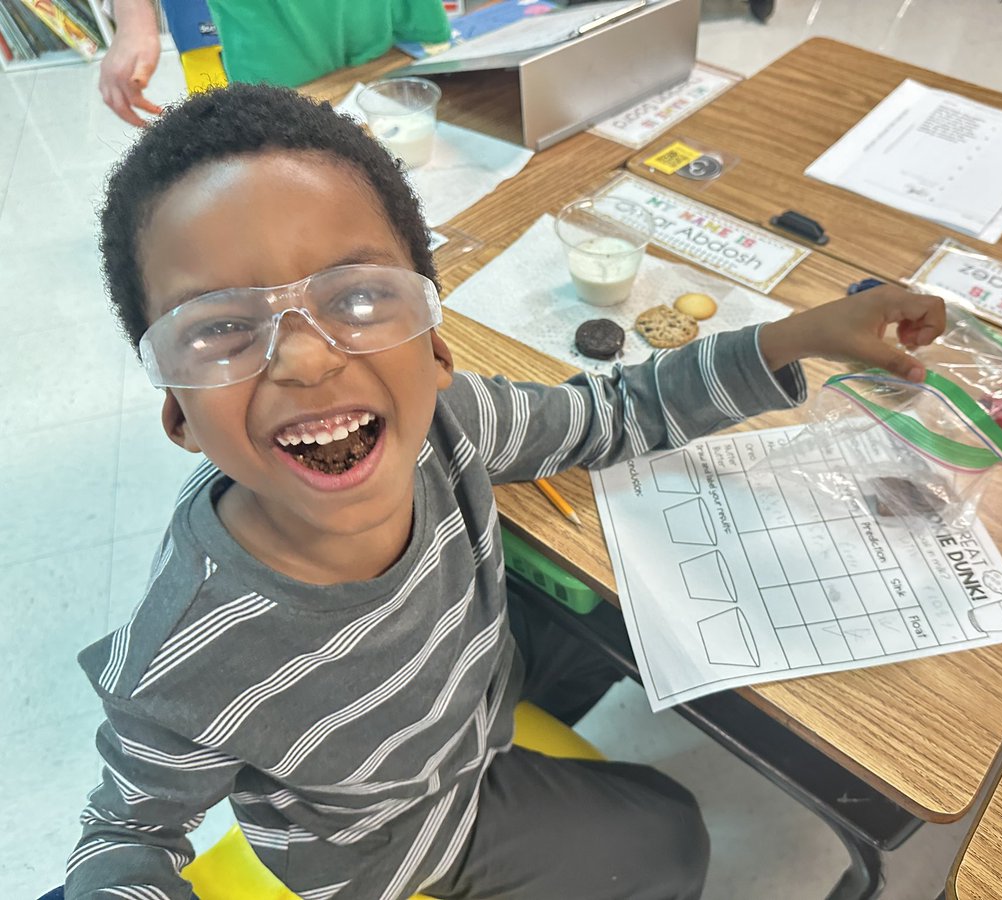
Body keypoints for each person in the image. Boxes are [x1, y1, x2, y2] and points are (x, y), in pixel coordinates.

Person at [64, 83, 945, 899]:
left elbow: (612, 413)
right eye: (218, 327)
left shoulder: (455, 422)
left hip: (468, 705)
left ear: (438, 350)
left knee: (588, 638)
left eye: (359, 295)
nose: (304, 356)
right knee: (669, 832)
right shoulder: (187, 659)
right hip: (396, 833)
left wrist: (800, 337)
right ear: (178, 415)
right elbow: (124, 835)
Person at [100, 0, 452, 126]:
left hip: (371, 17)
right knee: (289, 126)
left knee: (387, 107)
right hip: (275, 28)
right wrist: (132, 16)